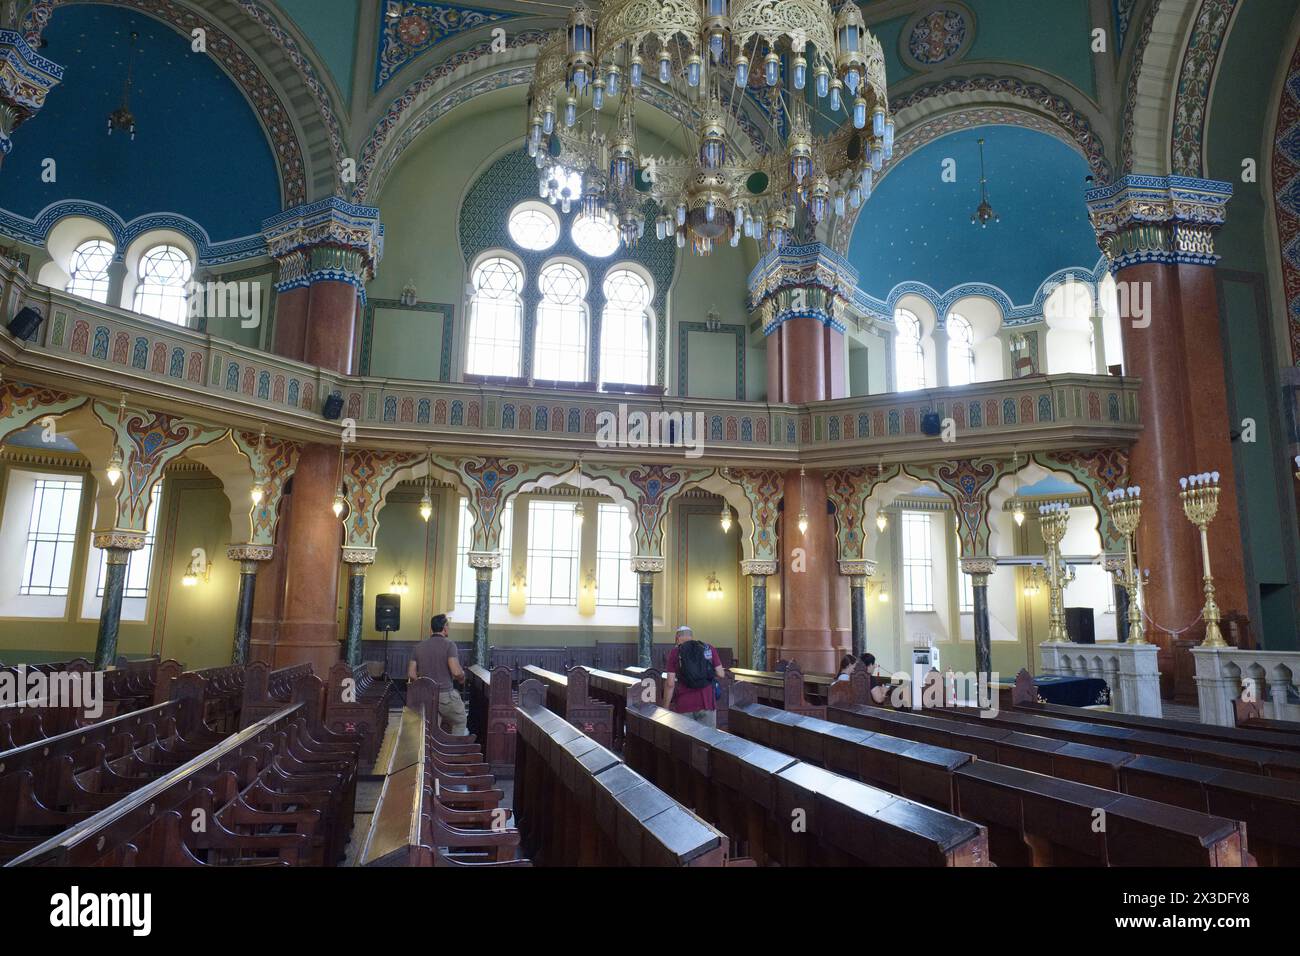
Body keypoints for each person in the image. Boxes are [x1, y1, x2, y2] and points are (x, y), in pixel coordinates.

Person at [407, 613, 468, 736]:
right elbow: (456, 672)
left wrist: (424, 683)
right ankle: (453, 751)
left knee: (433, 726)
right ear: (445, 627)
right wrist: (462, 677)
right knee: (460, 720)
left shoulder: (419, 647)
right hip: (445, 696)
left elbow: (411, 674)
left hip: (426, 695)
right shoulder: (449, 645)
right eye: (448, 625)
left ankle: (432, 751)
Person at [663, 625, 726, 728]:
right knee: (708, 741)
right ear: (691, 636)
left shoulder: (675, 652)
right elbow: (721, 674)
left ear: (677, 638)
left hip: (684, 704)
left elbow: (670, 684)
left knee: (685, 742)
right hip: (706, 702)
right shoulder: (708, 648)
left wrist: (665, 707)